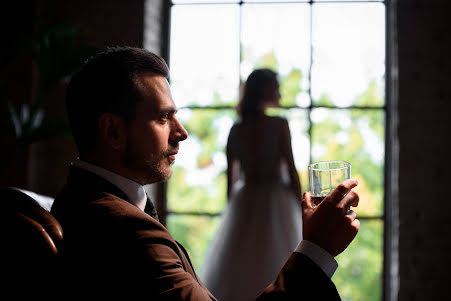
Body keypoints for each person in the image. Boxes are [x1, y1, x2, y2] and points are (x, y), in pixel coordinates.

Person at [51, 46, 360, 300]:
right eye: (163, 117)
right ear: (113, 131)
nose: (182, 133)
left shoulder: (77, 201)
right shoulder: (126, 232)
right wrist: (317, 248)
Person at [201, 69, 304, 301]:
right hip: (277, 202)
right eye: (275, 86)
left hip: (245, 202)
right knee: (282, 264)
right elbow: (291, 166)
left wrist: (233, 214)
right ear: (263, 90)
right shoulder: (278, 124)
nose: (279, 91)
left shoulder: (236, 130)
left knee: (240, 266)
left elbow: (231, 180)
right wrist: (301, 204)